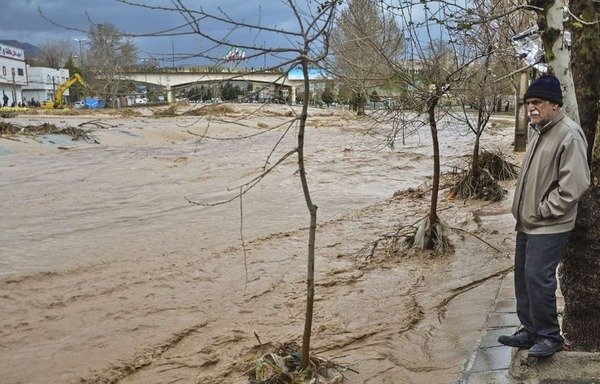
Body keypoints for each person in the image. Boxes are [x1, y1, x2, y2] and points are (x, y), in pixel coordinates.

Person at [498, 75, 590, 357]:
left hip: (550, 224)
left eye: (536, 102)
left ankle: (550, 336)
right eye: (528, 103)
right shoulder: (539, 130)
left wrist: (543, 211)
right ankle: (530, 331)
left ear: (554, 104)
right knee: (524, 278)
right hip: (527, 222)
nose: (531, 108)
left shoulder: (569, 134)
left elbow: (574, 185)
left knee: (539, 278)